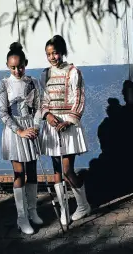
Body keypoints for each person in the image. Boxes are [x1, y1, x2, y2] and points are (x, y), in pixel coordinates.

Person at [40, 35, 91, 226]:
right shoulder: (45, 74)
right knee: (56, 172)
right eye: (48, 54)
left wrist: (69, 121)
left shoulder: (73, 72)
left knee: (67, 169)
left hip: (68, 126)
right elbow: (43, 100)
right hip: (52, 125)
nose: (52, 57)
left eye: (55, 53)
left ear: (62, 52)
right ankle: (63, 210)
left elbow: (79, 99)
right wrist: (47, 115)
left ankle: (83, 205)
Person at [0, 42, 43, 234]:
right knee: (19, 173)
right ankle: (21, 217)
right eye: (13, 67)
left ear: (26, 63)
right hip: (15, 131)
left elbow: (40, 107)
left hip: (31, 127)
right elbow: (3, 112)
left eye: (20, 66)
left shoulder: (33, 82)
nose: (17, 70)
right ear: (8, 66)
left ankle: (33, 211)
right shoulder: (4, 84)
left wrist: (36, 126)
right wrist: (20, 131)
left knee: (32, 172)